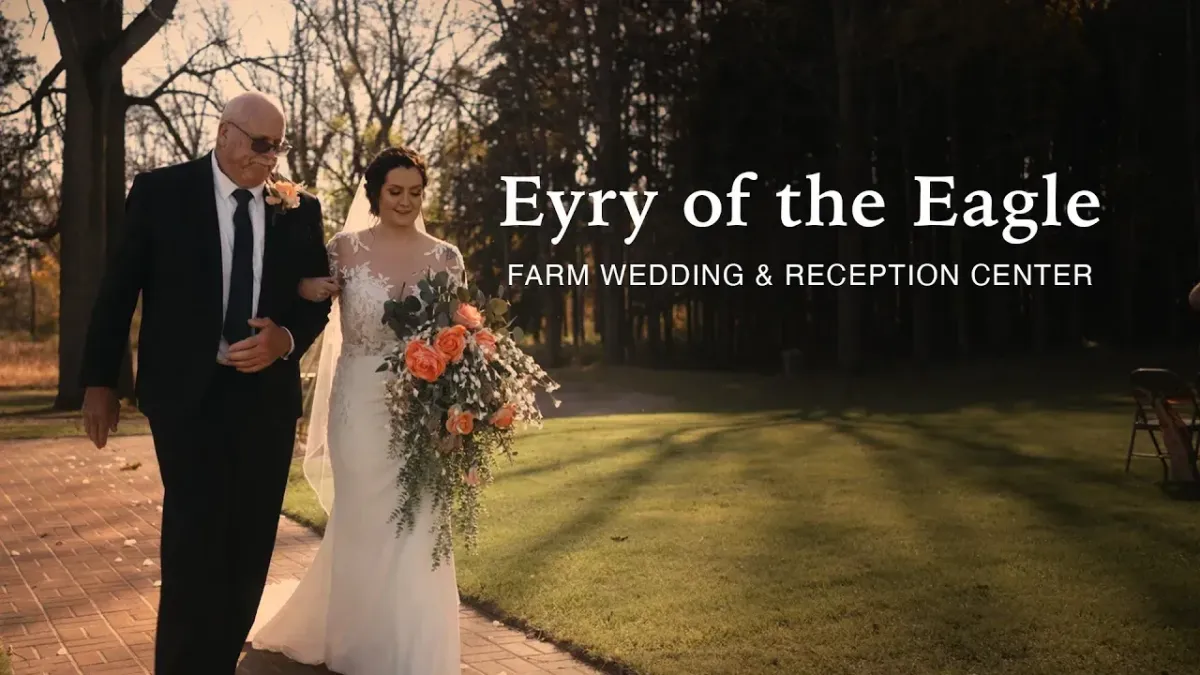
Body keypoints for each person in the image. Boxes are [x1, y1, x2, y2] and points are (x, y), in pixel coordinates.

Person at [79, 91, 332, 675]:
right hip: (185, 397)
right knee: (194, 542)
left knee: (248, 548)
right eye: (260, 144)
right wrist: (100, 382)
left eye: (278, 146)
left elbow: (317, 295)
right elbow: (119, 290)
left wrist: (284, 341)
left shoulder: (299, 208)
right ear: (225, 134)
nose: (269, 158)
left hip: (265, 401)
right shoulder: (160, 193)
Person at [247, 146, 466, 674]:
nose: (406, 202)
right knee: (365, 518)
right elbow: (294, 296)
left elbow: (460, 337)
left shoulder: (447, 257)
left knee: (420, 521)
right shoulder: (343, 249)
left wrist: (454, 412)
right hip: (359, 405)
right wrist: (302, 285)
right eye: (395, 192)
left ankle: (414, 645)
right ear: (374, 192)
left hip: (421, 405)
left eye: (415, 192)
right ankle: (359, 642)